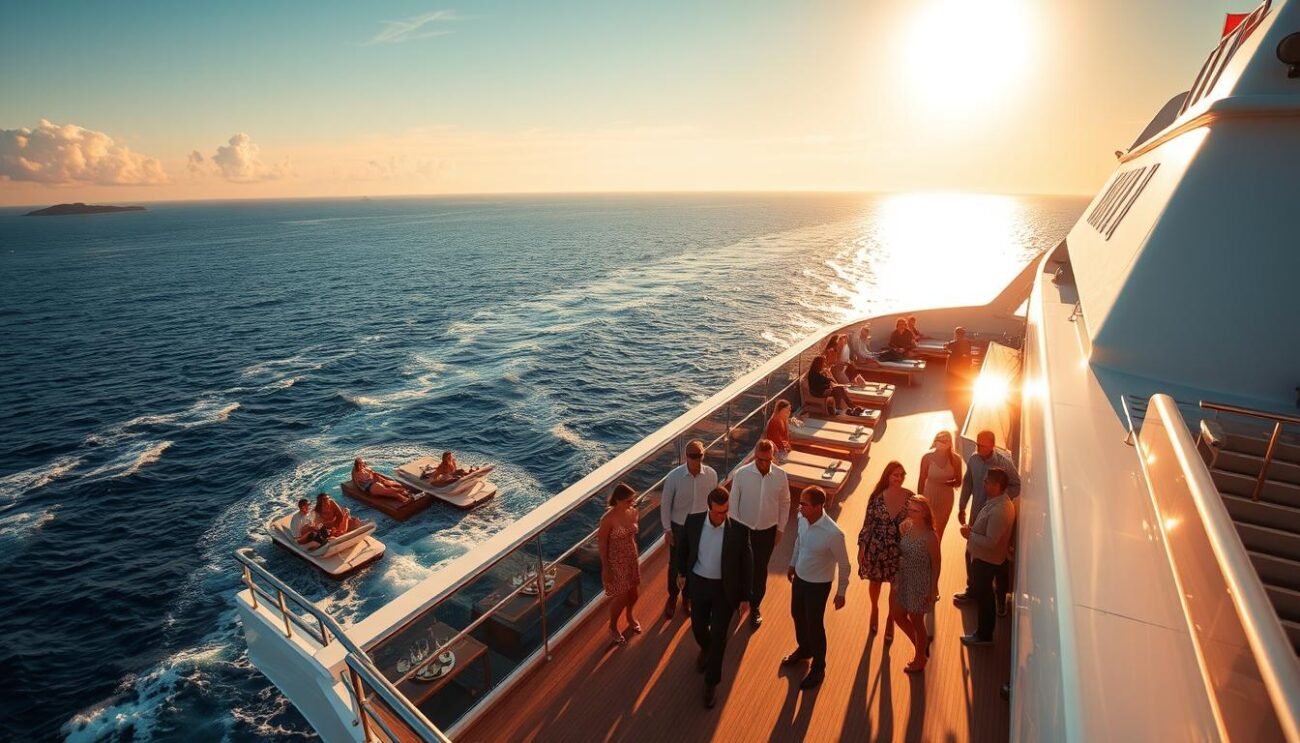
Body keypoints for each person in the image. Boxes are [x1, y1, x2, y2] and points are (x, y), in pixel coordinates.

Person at [682, 486, 745, 708]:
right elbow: (683, 550)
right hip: (699, 584)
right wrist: (681, 575)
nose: (724, 515)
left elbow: (747, 564)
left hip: (724, 590)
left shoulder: (738, 530)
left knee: (719, 636)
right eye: (719, 512)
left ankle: (711, 682)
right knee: (698, 627)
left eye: (726, 510)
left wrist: (746, 597)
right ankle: (706, 648)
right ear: (709, 508)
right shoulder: (693, 522)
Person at [782, 486, 850, 690]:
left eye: (804, 504)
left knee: (815, 624)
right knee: (796, 614)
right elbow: (799, 542)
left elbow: (845, 565)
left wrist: (841, 592)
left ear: (819, 506)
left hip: (819, 585)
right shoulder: (802, 519)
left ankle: (818, 668)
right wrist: (793, 564)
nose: (799, 506)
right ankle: (804, 649)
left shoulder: (834, 534)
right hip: (801, 578)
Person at [728, 438, 790, 628]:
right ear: (755, 456)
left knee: (760, 570)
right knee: (740, 568)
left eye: (767, 460)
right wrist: (737, 530)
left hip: (767, 530)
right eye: (760, 459)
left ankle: (755, 607)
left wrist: (780, 528)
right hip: (743, 529)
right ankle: (739, 601)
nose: (763, 463)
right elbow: (733, 504)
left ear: (773, 457)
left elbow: (785, 502)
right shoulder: (741, 474)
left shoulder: (780, 476)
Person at [955, 431, 1020, 611]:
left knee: (999, 558)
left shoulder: (1004, 463)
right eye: (977, 444)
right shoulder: (974, 460)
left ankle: (1000, 598)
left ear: (992, 445)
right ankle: (973, 590)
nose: (977, 447)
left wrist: (1000, 498)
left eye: (982, 445)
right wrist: (962, 506)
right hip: (977, 513)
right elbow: (968, 482)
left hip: (997, 516)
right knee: (971, 551)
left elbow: (1017, 485)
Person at [661, 439, 719, 619]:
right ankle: (672, 597)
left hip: (701, 525)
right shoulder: (674, 477)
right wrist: (667, 529)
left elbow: (713, 502)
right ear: (686, 456)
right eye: (693, 456)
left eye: (699, 456)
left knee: (694, 563)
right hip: (679, 526)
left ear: (704, 455)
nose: (696, 460)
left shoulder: (711, 475)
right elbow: (665, 505)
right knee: (675, 564)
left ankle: (687, 598)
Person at [959, 468, 1016, 646]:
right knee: (985, 597)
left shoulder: (1000, 510)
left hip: (986, 561)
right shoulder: (997, 503)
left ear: (997, 486)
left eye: (986, 482)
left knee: (985, 600)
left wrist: (969, 535)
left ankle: (984, 635)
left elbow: (992, 542)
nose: (983, 484)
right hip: (985, 559)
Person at [858, 461, 911, 644]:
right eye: (895, 475)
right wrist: (862, 548)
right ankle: (874, 609)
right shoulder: (876, 497)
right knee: (875, 583)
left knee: (895, 588)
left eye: (902, 475)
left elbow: (917, 524)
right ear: (888, 476)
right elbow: (868, 523)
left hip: (899, 550)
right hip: (877, 547)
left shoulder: (911, 498)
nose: (899, 478)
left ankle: (890, 619)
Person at [893, 495, 942, 673]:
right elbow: (903, 550)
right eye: (909, 509)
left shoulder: (930, 536)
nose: (910, 512)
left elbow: (936, 562)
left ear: (924, 513)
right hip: (906, 578)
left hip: (920, 581)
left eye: (915, 510)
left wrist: (933, 587)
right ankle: (921, 646)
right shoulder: (907, 527)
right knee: (897, 615)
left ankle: (920, 658)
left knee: (916, 620)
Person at [599, 482, 641, 644]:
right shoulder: (607, 519)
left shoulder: (633, 512)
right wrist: (606, 568)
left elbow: (633, 533)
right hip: (615, 560)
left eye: (633, 500)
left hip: (631, 555)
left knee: (634, 593)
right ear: (617, 500)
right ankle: (613, 626)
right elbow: (602, 543)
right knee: (621, 597)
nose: (632, 503)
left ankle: (630, 616)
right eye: (628, 501)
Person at [917, 431, 962, 542]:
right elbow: (922, 479)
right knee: (926, 529)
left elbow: (959, 481)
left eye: (945, 441)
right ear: (935, 442)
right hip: (929, 494)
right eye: (940, 441)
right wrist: (919, 500)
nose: (942, 443)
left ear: (950, 443)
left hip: (946, 497)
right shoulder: (927, 458)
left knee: (938, 532)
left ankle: (935, 557)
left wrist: (947, 483)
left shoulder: (956, 459)